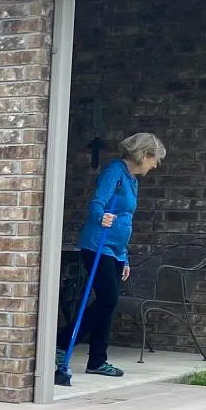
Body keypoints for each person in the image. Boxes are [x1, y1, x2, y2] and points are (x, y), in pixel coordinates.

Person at [62, 131, 165, 380]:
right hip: (98, 244)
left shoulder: (133, 180)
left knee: (108, 307)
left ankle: (98, 360)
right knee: (108, 300)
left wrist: (125, 256)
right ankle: (62, 342)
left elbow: (126, 221)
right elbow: (97, 202)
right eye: (155, 160)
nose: (155, 166)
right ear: (144, 155)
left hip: (117, 250)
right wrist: (101, 216)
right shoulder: (114, 171)